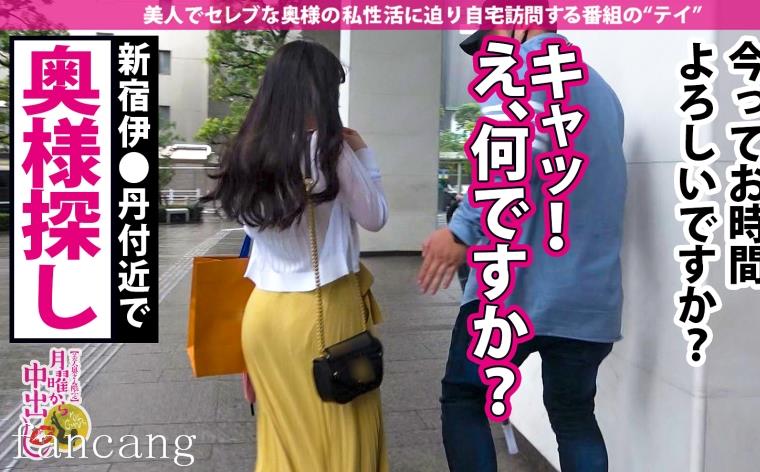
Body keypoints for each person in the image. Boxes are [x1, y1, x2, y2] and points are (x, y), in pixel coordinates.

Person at [418, 27, 627, 472]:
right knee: (574, 416)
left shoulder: (523, 67)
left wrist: (461, 232)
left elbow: (508, 156)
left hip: (514, 289)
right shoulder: (604, 93)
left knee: (465, 396)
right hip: (590, 294)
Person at [201, 40, 389, 471]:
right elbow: (376, 217)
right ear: (319, 93)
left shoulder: (246, 152)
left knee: (284, 442)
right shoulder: (330, 149)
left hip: (263, 317)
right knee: (343, 434)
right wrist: (364, 154)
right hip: (326, 312)